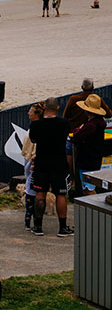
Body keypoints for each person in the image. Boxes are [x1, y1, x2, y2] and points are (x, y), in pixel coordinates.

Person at [28, 96, 74, 237]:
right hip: (59, 163)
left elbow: (33, 139)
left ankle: (38, 226)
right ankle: (62, 227)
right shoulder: (64, 124)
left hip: (42, 162)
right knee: (61, 194)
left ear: (45, 108)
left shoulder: (36, 125)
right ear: (58, 108)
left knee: (40, 194)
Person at [70, 94, 107, 196]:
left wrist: (78, 131)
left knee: (88, 189)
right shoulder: (98, 123)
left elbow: (76, 137)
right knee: (88, 187)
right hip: (94, 160)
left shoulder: (91, 125)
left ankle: (94, 209)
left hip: (87, 161)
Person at [21, 102, 44, 230]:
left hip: (32, 159)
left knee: (31, 188)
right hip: (28, 158)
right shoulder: (33, 126)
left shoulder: (36, 127)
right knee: (30, 187)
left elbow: (35, 145)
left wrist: (33, 160)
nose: (28, 112)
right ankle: (30, 219)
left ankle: (31, 219)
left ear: (36, 114)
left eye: (30, 111)